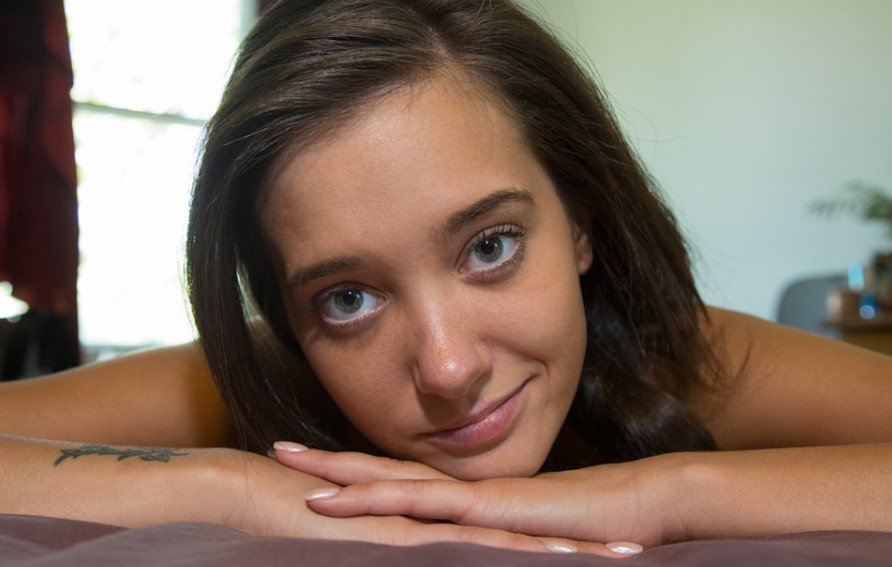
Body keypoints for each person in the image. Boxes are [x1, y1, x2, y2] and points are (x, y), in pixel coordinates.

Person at [1, 0, 890, 557]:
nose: (449, 366)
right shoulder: (269, 376)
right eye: (348, 300)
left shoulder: (678, 356)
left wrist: (667, 493)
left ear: (581, 221)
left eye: (490, 246)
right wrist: (230, 489)